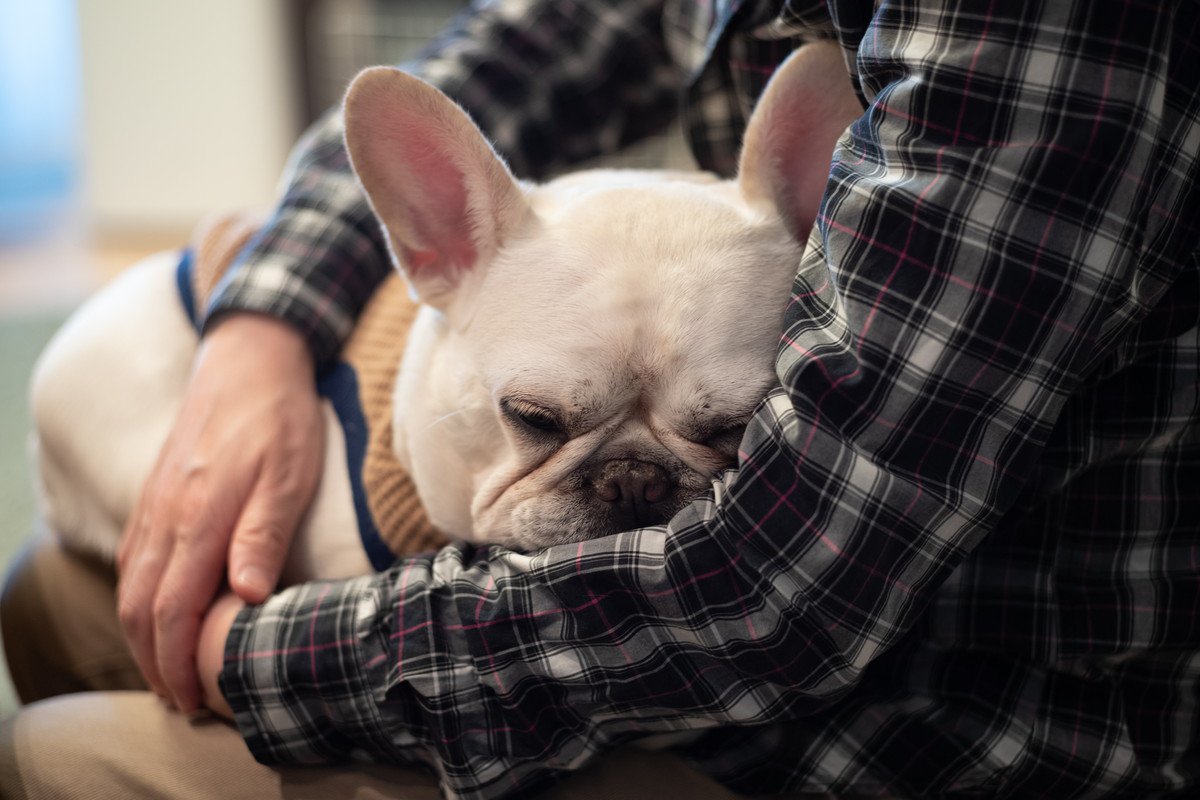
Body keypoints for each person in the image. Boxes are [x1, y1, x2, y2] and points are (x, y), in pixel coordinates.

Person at [3, 0, 1198, 797]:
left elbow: (771, 597)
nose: (629, 484)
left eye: (719, 428)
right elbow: (515, 50)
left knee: (54, 752)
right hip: (744, 627)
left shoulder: (1034, 35)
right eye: (543, 417)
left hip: (935, 717)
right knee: (48, 593)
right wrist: (261, 329)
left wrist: (249, 657)